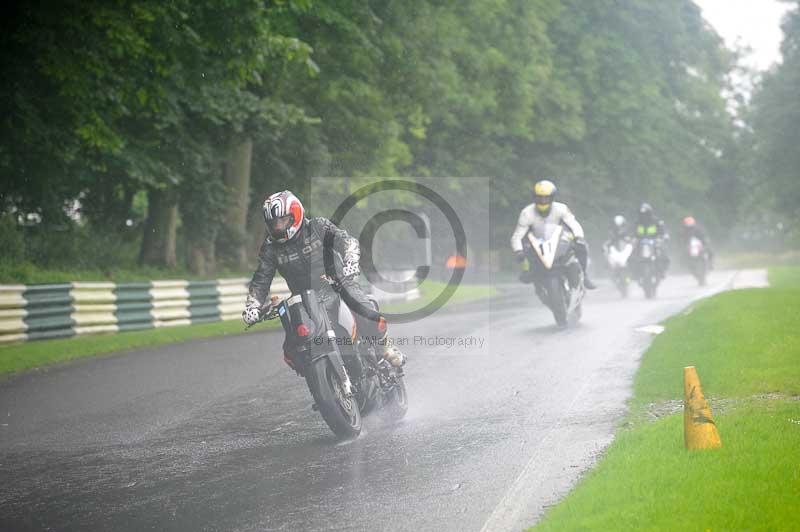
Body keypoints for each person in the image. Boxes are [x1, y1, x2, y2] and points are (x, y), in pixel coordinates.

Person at [242, 190, 405, 367]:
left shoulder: (318, 227)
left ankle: (384, 347)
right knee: (292, 351)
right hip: (303, 299)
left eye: (282, 220)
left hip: (337, 283)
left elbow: (346, 241)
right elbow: (261, 278)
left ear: (295, 215)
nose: (278, 227)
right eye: (273, 223)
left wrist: (350, 258)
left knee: (365, 312)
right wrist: (253, 305)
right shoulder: (270, 249)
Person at [510, 179, 597, 289]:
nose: (543, 200)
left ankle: (585, 275)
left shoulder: (561, 208)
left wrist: (579, 237)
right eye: (540, 197)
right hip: (537, 241)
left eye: (546, 197)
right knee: (523, 254)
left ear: (552, 197)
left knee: (582, 246)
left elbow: (574, 224)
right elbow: (517, 236)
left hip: (561, 238)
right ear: (534, 197)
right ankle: (529, 272)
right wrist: (518, 251)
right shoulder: (526, 213)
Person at [633, 203, 670, 277]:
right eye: (642, 214)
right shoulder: (637, 222)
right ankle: (634, 273)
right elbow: (631, 230)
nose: (644, 216)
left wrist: (665, 235)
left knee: (663, 251)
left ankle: (662, 270)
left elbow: (662, 228)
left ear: (650, 213)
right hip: (640, 241)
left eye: (646, 214)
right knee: (632, 255)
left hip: (654, 240)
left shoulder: (655, 220)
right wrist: (631, 237)